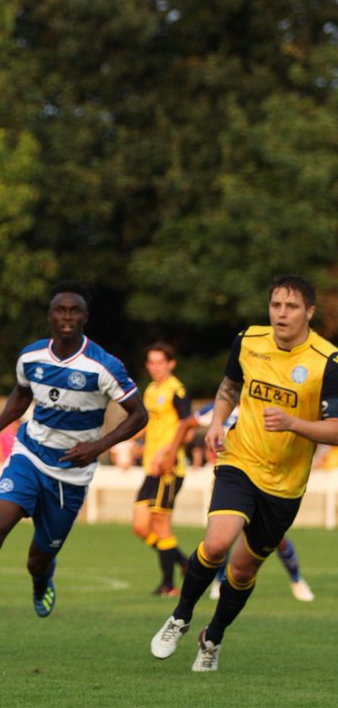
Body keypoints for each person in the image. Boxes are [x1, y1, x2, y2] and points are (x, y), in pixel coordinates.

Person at [0, 281, 147, 660]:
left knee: (38, 558)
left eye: (75, 311)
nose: (67, 317)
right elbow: (20, 395)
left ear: (85, 317)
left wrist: (97, 447)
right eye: (60, 310)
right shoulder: (31, 357)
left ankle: (42, 577)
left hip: (71, 475)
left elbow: (139, 415)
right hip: (28, 456)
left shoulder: (103, 365)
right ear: (50, 315)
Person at [149, 275, 338, 672]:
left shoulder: (327, 361)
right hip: (240, 461)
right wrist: (217, 422)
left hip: (285, 484)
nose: (281, 313)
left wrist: (292, 423)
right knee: (216, 544)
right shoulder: (248, 341)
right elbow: (229, 386)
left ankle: (212, 637)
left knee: (242, 568)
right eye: (275, 305)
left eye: (291, 307)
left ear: (309, 312)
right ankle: (180, 616)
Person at [170, 404, 315, 603]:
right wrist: (171, 451)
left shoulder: (265, 407)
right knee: (223, 535)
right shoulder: (220, 408)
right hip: (231, 481)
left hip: (264, 483)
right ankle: (220, 582)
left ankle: (296, 580)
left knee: (276, 538)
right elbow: (186, 424)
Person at [130, 343, 192, 597]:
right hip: (150, 467)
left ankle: (169, 584)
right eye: (151, 362)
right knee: (140, 526)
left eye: (160, 362)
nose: (155, 367)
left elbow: (186, 428)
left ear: (171, 363)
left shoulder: (176, 390)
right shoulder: (150, 390)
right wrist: (127, 442)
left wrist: (165, 453)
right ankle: (185, 563)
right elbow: (148, 425)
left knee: (160, 523)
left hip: (168, 467)